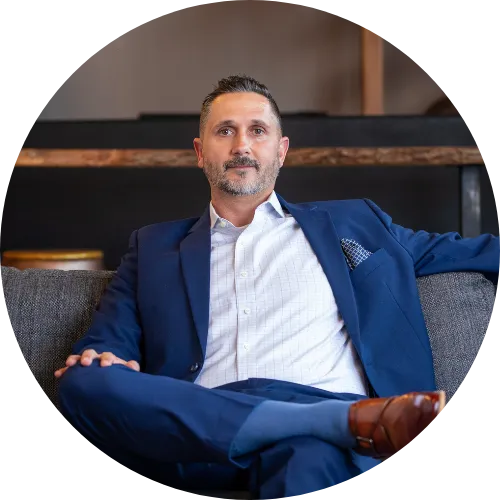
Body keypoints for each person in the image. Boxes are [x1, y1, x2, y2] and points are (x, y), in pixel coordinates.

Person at [55, 75, 499, 499]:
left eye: (258, 130)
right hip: (197, 438)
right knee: (81, 384)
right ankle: (331, 420)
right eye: (225, 131)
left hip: (313, 440)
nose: (242, 145)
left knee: (312, 454)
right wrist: (102, 355)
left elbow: (473, 251)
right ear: (200, 152)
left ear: (281, 150)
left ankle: (324, 422)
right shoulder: (153, 247)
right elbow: (107, 340)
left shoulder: (354, 223)